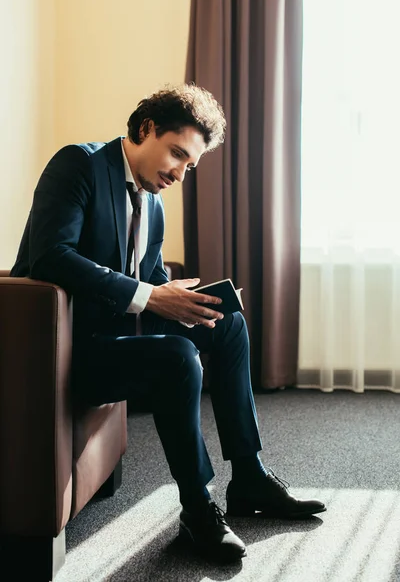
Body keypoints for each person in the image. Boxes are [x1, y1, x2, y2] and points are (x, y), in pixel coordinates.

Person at [11, 83, 326, 563]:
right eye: (177, 154)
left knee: (227, 323)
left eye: (190, 165)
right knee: (177, 357)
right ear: (146, 129)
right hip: (65, 348)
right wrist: (153, 295)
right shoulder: (79, 165)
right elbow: (51, 257)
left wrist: (191, 300)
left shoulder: (153, 204)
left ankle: (249, 476)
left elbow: (152, 282)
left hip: (116, 335)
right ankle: (197, 507)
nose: (181, 173)